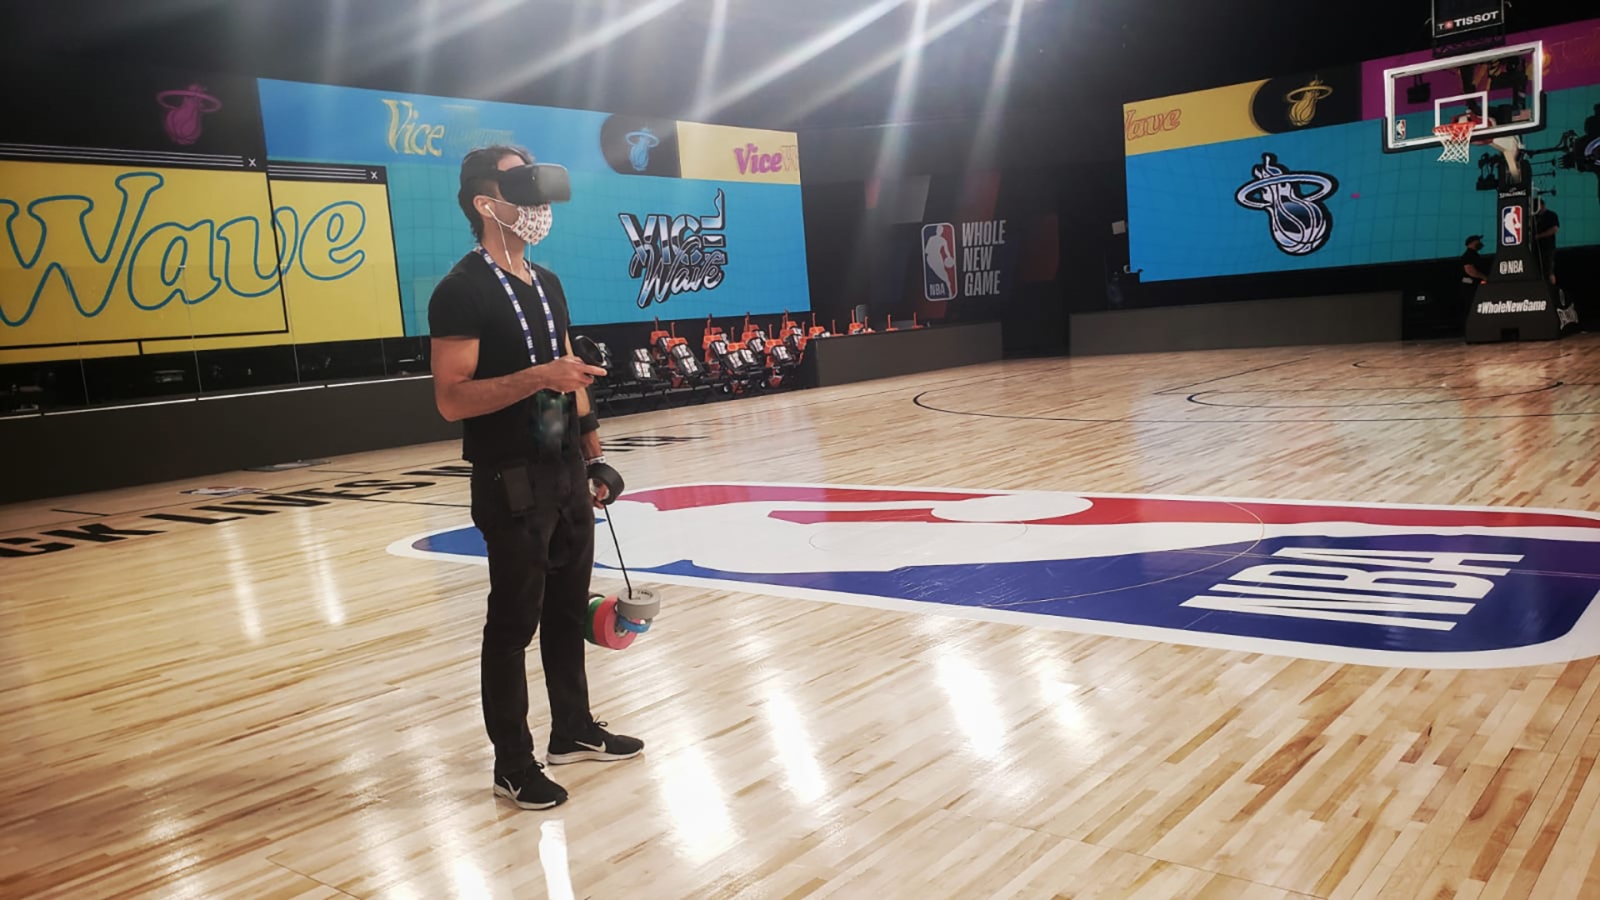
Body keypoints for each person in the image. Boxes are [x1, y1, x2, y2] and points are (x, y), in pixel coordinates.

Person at [428, 145, 643, 811]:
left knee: (563, 610)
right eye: (517, 182)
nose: (534, 199)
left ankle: (572, 730)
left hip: (561, 469)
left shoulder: (546, 283)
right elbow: (452, 398)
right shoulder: (460, 290)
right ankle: (512, 765)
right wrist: (538, 378)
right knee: (512, 624)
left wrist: (590, 452)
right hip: (508, 476)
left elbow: (568, 371)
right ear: (484, 201)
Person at [1533, 198, 1559, 284]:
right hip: (1536, 248)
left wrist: (1539, 236)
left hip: (1548, 247)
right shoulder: (1534, 217)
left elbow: (1554, 229)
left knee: (1549, 270)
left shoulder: (1551, 215)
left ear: (1542, 205)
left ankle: (1552, 288)